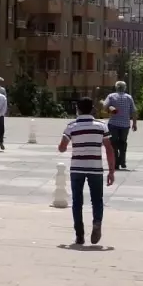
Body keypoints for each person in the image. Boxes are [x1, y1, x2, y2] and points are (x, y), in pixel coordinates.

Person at [59, 97, 117, 245]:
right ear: (92, 109)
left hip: (77, 168)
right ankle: (97, 222)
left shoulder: (71, 126)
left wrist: (66, 144)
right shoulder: (101, 126)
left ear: (77, 109)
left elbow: (62, 148)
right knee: (97, 200)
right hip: (95, 168)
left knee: (77, 201)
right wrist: (111, 171)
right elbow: (109, 149)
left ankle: (79, 235)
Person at [102, 81, 136, 170]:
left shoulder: (111, 96)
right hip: (125, 124)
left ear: (116, 87)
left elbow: (105, 107)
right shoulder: (129, 97)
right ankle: (123, 161)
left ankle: (116, 163)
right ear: (125, 88)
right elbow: (133, 111)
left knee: (113, 143)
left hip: (113, 124)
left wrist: (107, 106)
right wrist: (134, 124)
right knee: (123, 142)